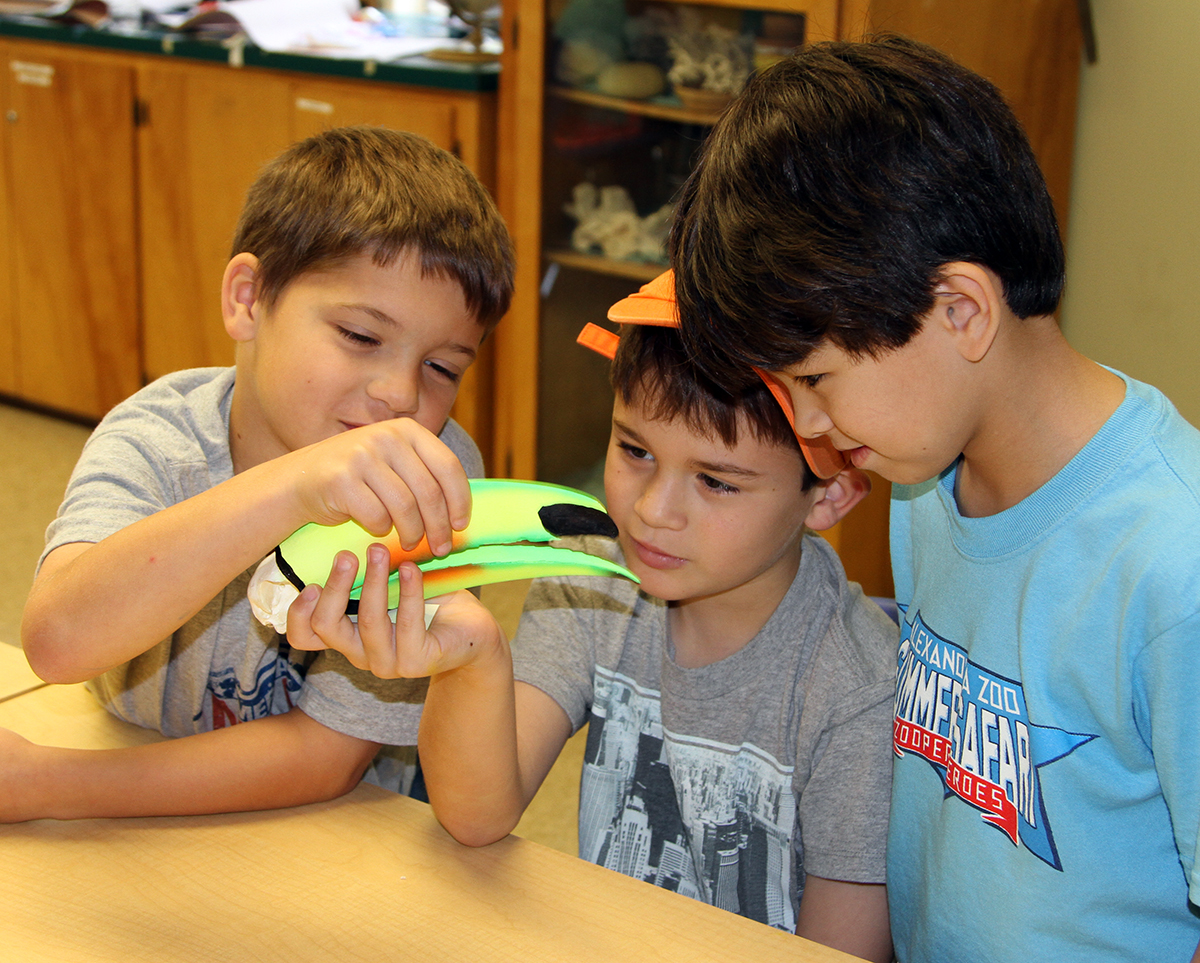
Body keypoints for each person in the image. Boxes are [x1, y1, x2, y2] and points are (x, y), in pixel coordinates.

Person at [667, 34, 1200, 963]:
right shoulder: (927, 487)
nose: (808, 424)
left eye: (816, 379)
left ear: (960, 309)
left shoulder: (1172, 565)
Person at [288, 277, 898, 961]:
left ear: (831, 495)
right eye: (635, 450)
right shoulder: (591, 577)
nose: (652, 510)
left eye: (716, 481)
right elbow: (476, 815)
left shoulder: (858, 687)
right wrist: (474, 658)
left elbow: (844, 951)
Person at [4, 125, 514, 821]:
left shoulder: (434, 481)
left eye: (443, 368)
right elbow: (59, 642)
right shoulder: (158, 433)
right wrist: (295, 486)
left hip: (326, 830)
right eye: (361, 336)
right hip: (123, 752)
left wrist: (49, 785)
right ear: (248, 299)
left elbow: (325, 755)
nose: (400, 394)